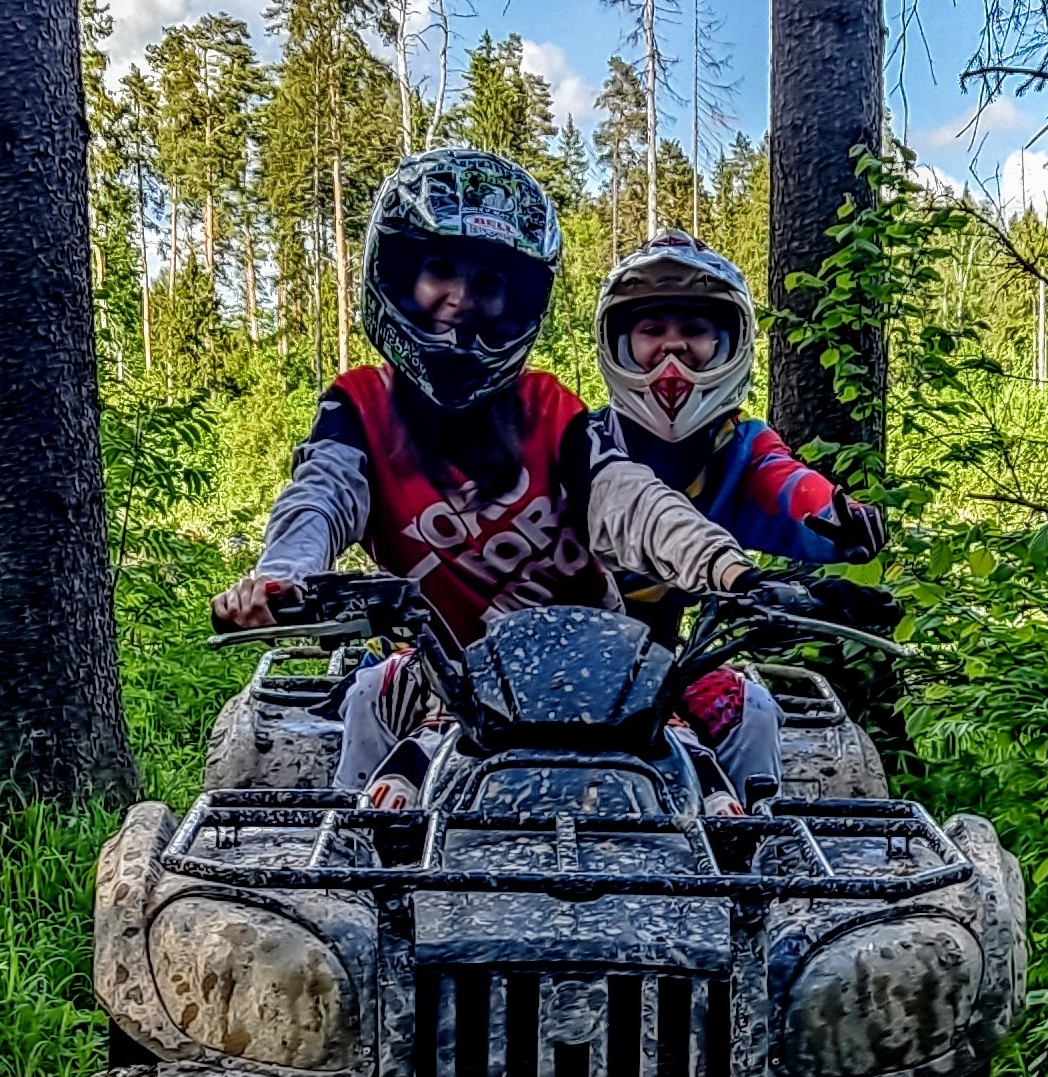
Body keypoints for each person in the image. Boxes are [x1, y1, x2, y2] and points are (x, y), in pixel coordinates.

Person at [211, 151, 792, 804]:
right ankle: (360, 870)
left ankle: (762, 870)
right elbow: (321, 495)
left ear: (517, 300)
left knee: (750, 712)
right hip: (447, 668)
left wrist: (730, 570)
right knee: (374, 697)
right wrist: (283, 575)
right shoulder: (359, 411)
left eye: (488, 281)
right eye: (439, 271)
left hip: (604, 664)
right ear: (397, 275)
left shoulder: (548, 411)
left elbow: (629, 499)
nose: (460, 301)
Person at [590, 230, 889, 802]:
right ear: (619, 344)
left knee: (750, 711)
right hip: (545, 663)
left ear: (729, 343)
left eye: (695, 331)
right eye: (652, 330)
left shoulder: (738, 446)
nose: (672, 352)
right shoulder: (584, 443)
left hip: (663, 669)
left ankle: (755, 851)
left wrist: (838, 515)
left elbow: (783, 480)